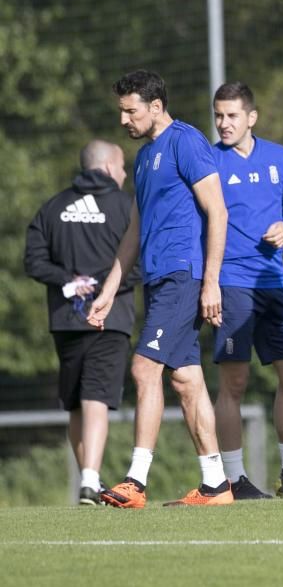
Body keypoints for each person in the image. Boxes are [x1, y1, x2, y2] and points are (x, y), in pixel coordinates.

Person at [87, 69, 233, 507]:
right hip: (157, 279)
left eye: (130, 111)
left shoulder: (185, 142)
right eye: (121, 111)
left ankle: (136, 480)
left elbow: (219, 212)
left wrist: (211, 283)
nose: (123, 120)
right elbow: (134, 231)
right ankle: (216, 486)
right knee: (186, 380)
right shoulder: (146, 157)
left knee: (143, 369)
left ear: (155, 107)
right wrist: (110, 289)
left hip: (183, 276)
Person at [209, 82, 283, 499]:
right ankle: (235, 479)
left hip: (274, 282)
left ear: (251, 117)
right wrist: (209, 283)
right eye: (219, 115)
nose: (224, 123)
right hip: (232, 282)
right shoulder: (210, 161)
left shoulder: (280, 157)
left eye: (232, 115)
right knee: (234, 382)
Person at [24, 140, 138, 505]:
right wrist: (106, 286)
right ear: (107, 169)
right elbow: (142, 262)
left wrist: (69, 281)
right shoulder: (127, 207)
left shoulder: (53, 207)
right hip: (111, 317)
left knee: (76, 402)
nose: (124, 174)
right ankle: (90, 480)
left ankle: (91, 480)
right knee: (95, 397)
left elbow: (33, 260)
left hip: (66, 319)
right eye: (122, 167)